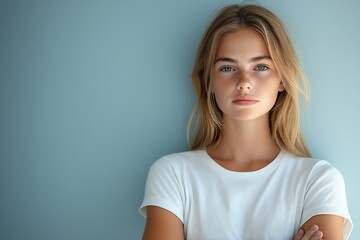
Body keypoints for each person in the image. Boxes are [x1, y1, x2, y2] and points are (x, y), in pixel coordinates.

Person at [139, 4, 352, 240]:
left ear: (282, 79)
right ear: (209, 80)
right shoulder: (172, 175)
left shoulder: (318, 179)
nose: (244, 82)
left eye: (261, 67)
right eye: (227, 67)